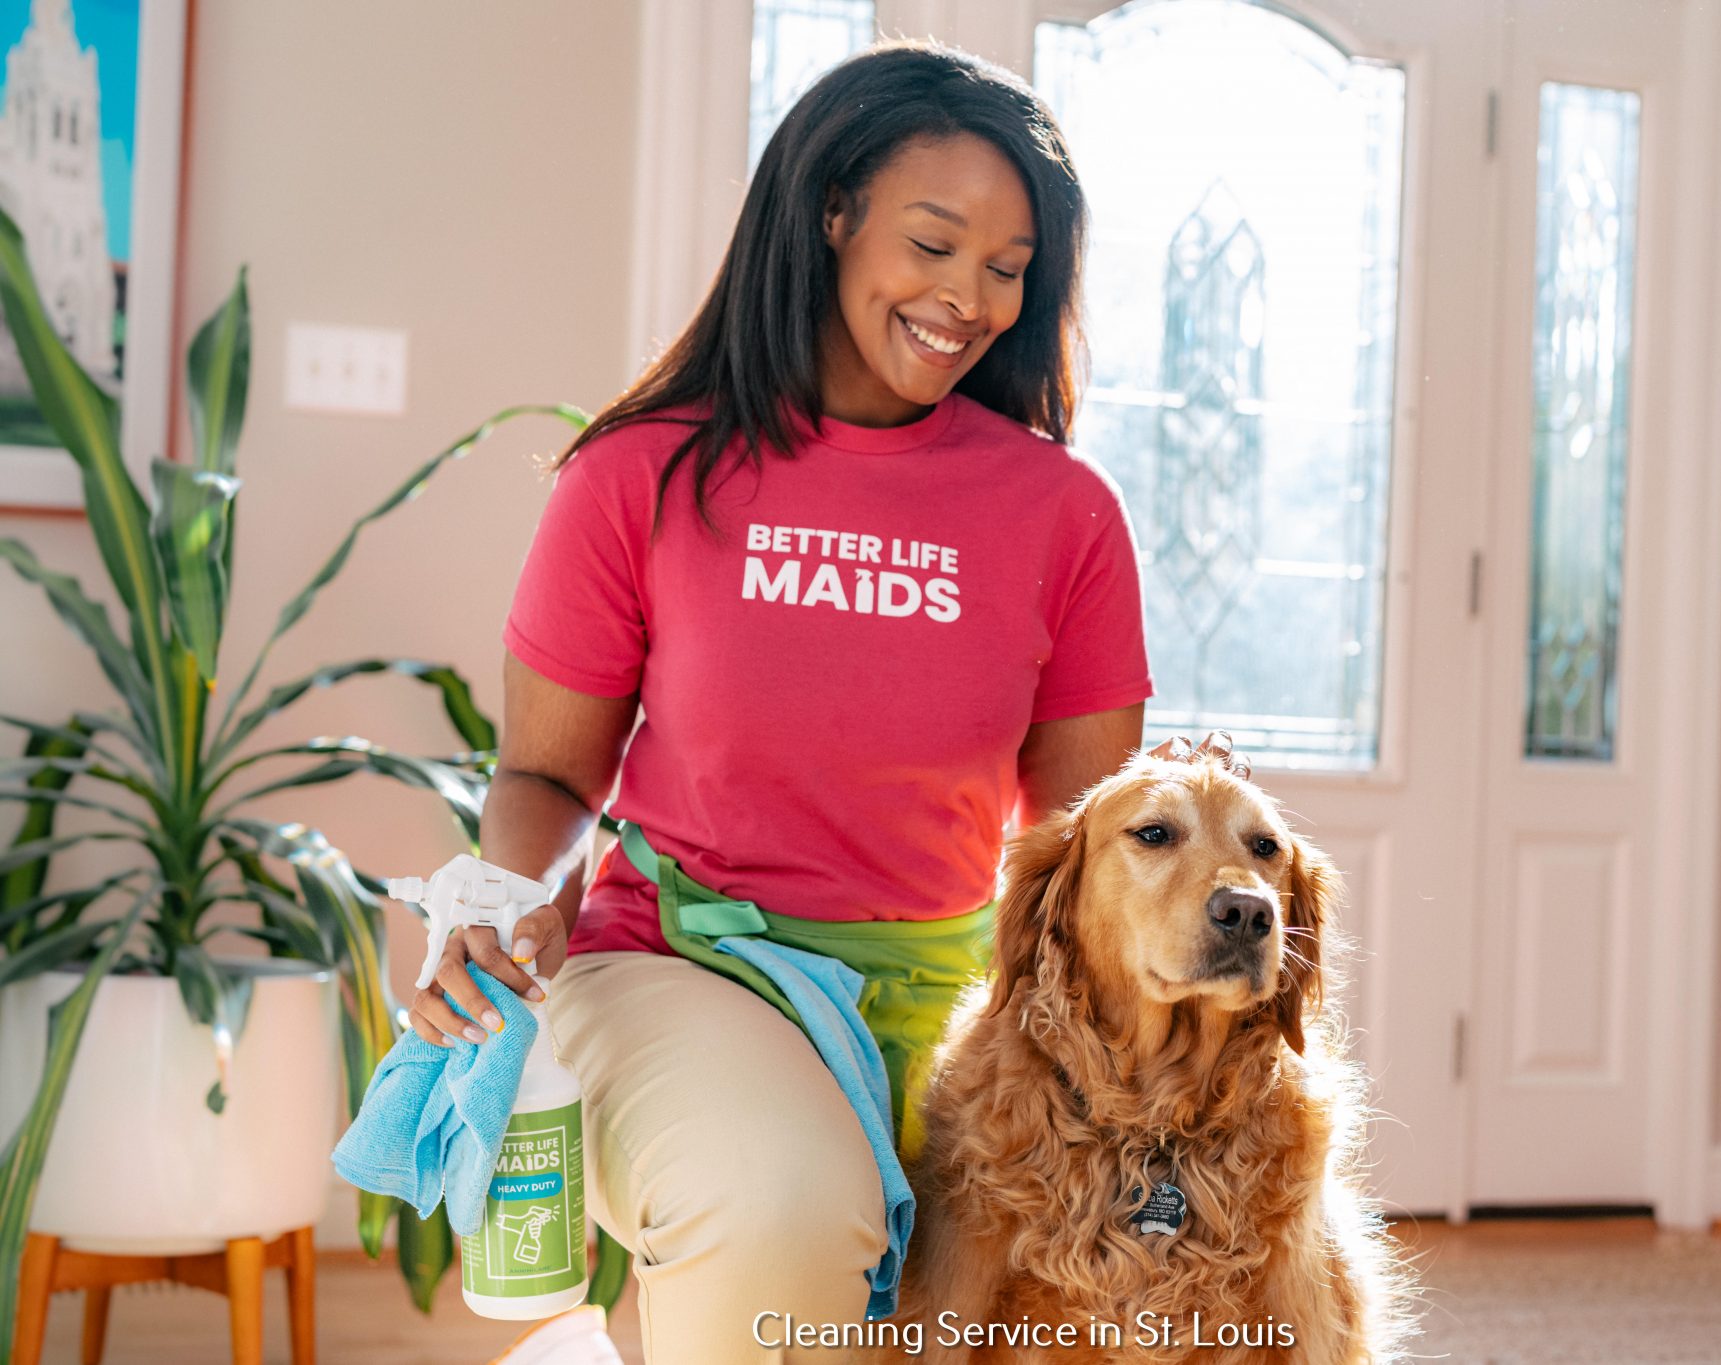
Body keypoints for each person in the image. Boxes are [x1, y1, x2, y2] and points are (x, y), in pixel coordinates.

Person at [406, 39, 1253, 1363]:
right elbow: (552, 780)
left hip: (945, 984)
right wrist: (505, 904)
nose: (967, 296)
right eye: (934, 242)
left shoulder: (1062, 516)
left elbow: (1080, 850)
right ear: (831, 211)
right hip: (686, 963)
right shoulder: (642, 476)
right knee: (782, 1203)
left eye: (1009, 268)